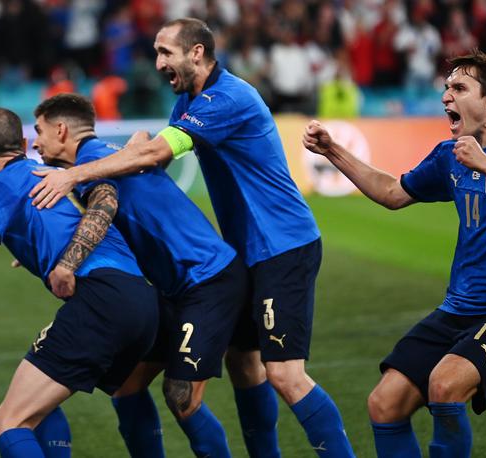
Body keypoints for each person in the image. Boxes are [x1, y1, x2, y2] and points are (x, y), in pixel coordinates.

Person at [29, 17, 355, 458]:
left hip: (284, 244)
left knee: (285, 375)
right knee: (244, 365)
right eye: (157, 52)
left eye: (166, 52)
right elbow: (148, 166)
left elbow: (156, 153)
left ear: (196, 53)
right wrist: (131, 155)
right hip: (246, 252)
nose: (159, 61)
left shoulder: (227, 97)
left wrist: (75, 174)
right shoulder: (187, 103)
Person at [303, 50, 486, 457]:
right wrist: (332, 151)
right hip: (458, 308)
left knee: (444, 384)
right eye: (446, 88)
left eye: (459, 88)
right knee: (384, 404)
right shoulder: (451, 155)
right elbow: (392, 193)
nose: (446, 96)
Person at [0, 108, 159, 458]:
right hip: (143, 300)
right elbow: (85, 214)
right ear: (22, 143)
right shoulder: (57, 174)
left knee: (9, 422)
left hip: (101, 300)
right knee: (101, 395)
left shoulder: (2, 183)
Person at [32, 92, 249, 458]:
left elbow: (105, 205)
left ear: (61, 129)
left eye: (38, 131)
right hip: (177, 288)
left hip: (208, 280)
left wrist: (67, 264)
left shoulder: (93, 161)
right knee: (127, 388)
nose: (34, 142)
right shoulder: (107, 154)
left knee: (181, 397)